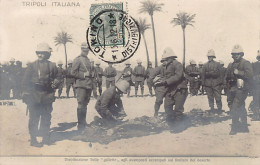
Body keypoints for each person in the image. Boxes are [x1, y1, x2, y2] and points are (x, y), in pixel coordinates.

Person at [22, 43, 59, 147]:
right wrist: (26, 94)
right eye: (38, 53)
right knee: (34, 118)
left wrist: (56, 82)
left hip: (47, 94)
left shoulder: (52, 65)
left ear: (47, 54)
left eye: (42, 53)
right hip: (34, 95)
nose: (40, 55)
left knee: (46, 117)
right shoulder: (32, 65)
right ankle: (33, 140)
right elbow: (25, 81)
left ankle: (45, 138)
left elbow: (59, 77)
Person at [152, 47, 188, 121]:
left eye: (167, 59)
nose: (166, 61)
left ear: (171, 58)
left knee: (178, 109)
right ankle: (172, 122)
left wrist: (166, 81)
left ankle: (178, 126)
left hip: (179, 89)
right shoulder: (166, 66)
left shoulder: (178, 64)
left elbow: (178, 76)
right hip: (170, 89)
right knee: (167, 107)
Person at [225, 44, 253, 135]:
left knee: (235, 106)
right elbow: (226, 76)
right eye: (234, 54)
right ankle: (244, 126)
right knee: (239, 106)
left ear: (242, 54)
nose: (235, 56)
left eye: (238, 54)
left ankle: (234, 127)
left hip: (242, 88)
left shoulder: (246, 63)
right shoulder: (230, 64)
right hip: (232, 88)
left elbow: (250, 75)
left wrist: (239, 72)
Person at [71, 42, 94, 131]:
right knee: (81, 104)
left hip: (88, 85)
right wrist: (84, 74)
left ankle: (83, 122)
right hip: (81, 85)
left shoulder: (88, 60)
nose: (86, 51)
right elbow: (73, 73)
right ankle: (80, 126)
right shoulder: (78, 59)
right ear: (81, 49)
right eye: (84, 50)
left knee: (85, 104)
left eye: (87, 50)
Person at [201, 49, 222, 113]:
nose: (209, 58)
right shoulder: (204, 65)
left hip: (216, 83)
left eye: (211, 56)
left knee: (218, 97)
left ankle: (219, 109)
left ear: (213, 57)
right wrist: (203, 84)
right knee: (210, 97)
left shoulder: (217, 64)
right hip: (208, 84)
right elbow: (203, 75)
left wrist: (221, 83)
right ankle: (212, 108)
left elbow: (220, 74)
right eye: (208, 57)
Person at [249, 50, 260, 120]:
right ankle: (256, 115)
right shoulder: (254, 65)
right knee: (256, 100)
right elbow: (251, 76)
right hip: (256, 86)